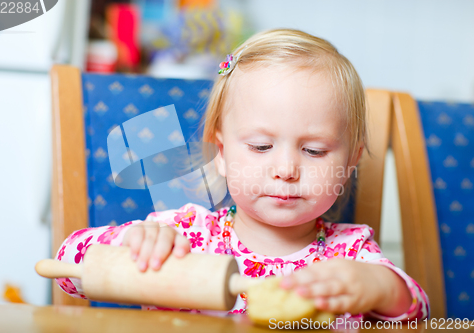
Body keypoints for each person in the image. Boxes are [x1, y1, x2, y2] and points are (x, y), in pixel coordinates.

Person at [55, 28, 429, 321]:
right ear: (221, 152)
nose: (285, 170)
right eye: (261, 147)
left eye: (314, 151)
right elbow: (66, 269)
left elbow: (417, 312)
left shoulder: (350, 255)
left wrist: (379, 287)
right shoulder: (187, 237)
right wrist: (133, 243)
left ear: (351, 162)